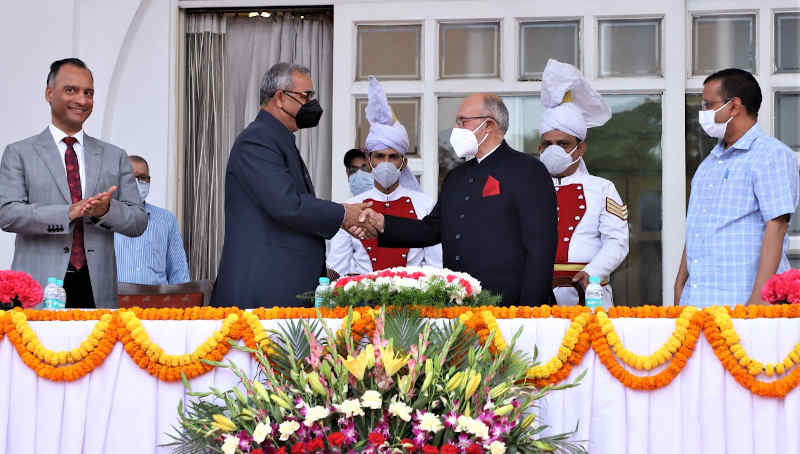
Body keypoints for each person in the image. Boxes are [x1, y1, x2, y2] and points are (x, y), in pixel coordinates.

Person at [356, 93, 557, 307]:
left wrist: (530, 311)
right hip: (460, 304)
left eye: (462, 121)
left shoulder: (527, 170)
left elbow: (541, 250)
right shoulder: (456, 177)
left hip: (510, 307)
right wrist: (382, 223)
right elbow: (432, 229)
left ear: (488, 125)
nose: (456, 127)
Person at [211, 62, 371, 308]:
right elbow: (286, 205)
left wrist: (343, 216)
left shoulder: (276, 138)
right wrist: (343, 214)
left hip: (280, 287)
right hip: (263, 291)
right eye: (306, 96)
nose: (312, 104)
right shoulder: (258, 141)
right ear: (279, 97)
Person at [0, 58, 147, 308]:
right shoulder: (19, 152)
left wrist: (106, 211)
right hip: (38, 289)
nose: (82, 100)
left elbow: (138, 222)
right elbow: (7, 214)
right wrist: (66, 213)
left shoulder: (115, 156)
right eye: (71, 90)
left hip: (96, 289)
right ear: (49, 93)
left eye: (88, 93)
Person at [675, 68, 799, 308]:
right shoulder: (708, 163)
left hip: (742, 302)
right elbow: (697, 227)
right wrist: (680, 283)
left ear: (734, 106)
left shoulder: (770, 155)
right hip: (697, 300)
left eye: (708, 105)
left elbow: (777, 225)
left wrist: (760, 299)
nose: (703, 113)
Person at [327, 77, 442, 275]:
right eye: (380, 156)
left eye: (393, 156)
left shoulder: (425, 205)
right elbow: (338, 268)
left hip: (414, 301)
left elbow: (435, 267)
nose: (386, 162)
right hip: (362, 301)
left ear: (403, 162)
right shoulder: (351, 207)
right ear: (370, 161)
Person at [538, 59, 629, 308]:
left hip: (589, 294)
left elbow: (617, 241)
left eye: (563, 143)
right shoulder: (528, 187)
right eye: (548, 144)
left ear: (581, 148)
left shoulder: (602, 188)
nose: (553, 149)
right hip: (536, 296)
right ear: (539, 147)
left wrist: (595, 271)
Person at [114, 156, 190, 285]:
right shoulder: (104, 219)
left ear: (149, 181)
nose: (137, 183)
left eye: (143, 177)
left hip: (156, 302)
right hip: (115, 301)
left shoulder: (166, 220)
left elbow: (178, 272)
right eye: (131, 177)